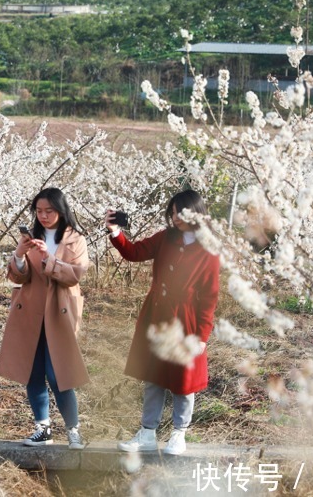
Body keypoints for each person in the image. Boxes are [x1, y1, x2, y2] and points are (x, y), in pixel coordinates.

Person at [106, 189, 220, 456]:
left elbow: (209, 296)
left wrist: (202, 335)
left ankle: (179, 433)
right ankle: (147, 433)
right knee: (153, 377)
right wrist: (115, 232)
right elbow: (134, 252)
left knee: (184, 381)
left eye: (181, 212)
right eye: (172, 212)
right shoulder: (165, 237)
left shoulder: (209, 249)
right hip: (156, 317)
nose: (175, 217)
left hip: (187, 321)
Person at [0, 187, 90, 450]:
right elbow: (19, 276)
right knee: (33, 371)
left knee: (58, 373)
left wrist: (48, 258)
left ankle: (73, 430)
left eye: (49, 210)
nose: (43, 216)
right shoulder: (32, 238)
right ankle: (42, 428)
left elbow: (75, 275)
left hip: (60, 311)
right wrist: (18, 254)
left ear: (61, 210)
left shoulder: (75, 239)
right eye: (39, 211)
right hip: (30, 310)